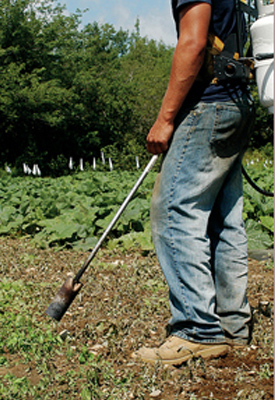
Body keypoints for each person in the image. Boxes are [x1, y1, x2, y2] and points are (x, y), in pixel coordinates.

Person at [132, 0, 255, 365]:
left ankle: (197, 329)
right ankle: (233, 326)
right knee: (224, 218)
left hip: (211, 103)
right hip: (238, 102)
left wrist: (166, 118)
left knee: (173, 209)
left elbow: (193, 43)